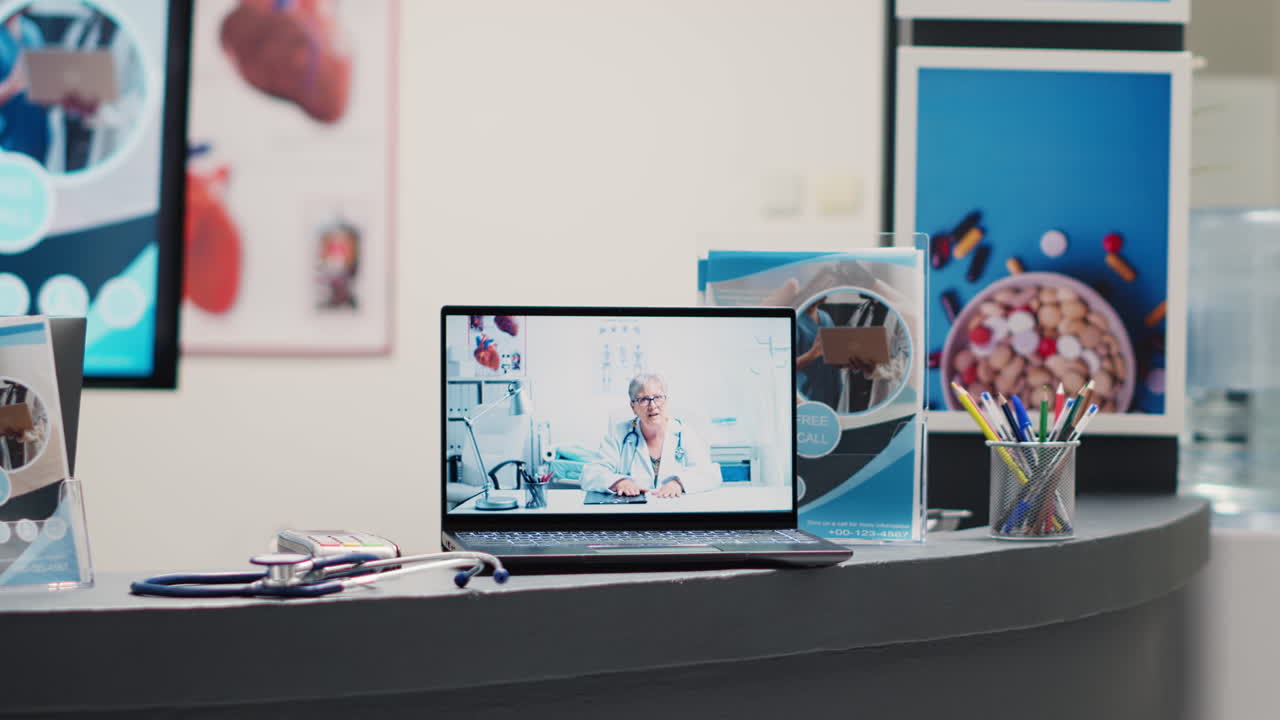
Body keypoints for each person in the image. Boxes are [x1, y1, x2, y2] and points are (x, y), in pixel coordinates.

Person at [580, 373, 720, 497]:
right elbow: (590, 474)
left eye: (658, 397)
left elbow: (710, 474)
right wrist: (619, 482)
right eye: (643, 399)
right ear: (633, 406)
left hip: (675, 513)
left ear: (666, 400)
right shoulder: (619, 434)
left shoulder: (684, 433)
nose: (652, 405)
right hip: (632, 515)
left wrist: (679, 483)